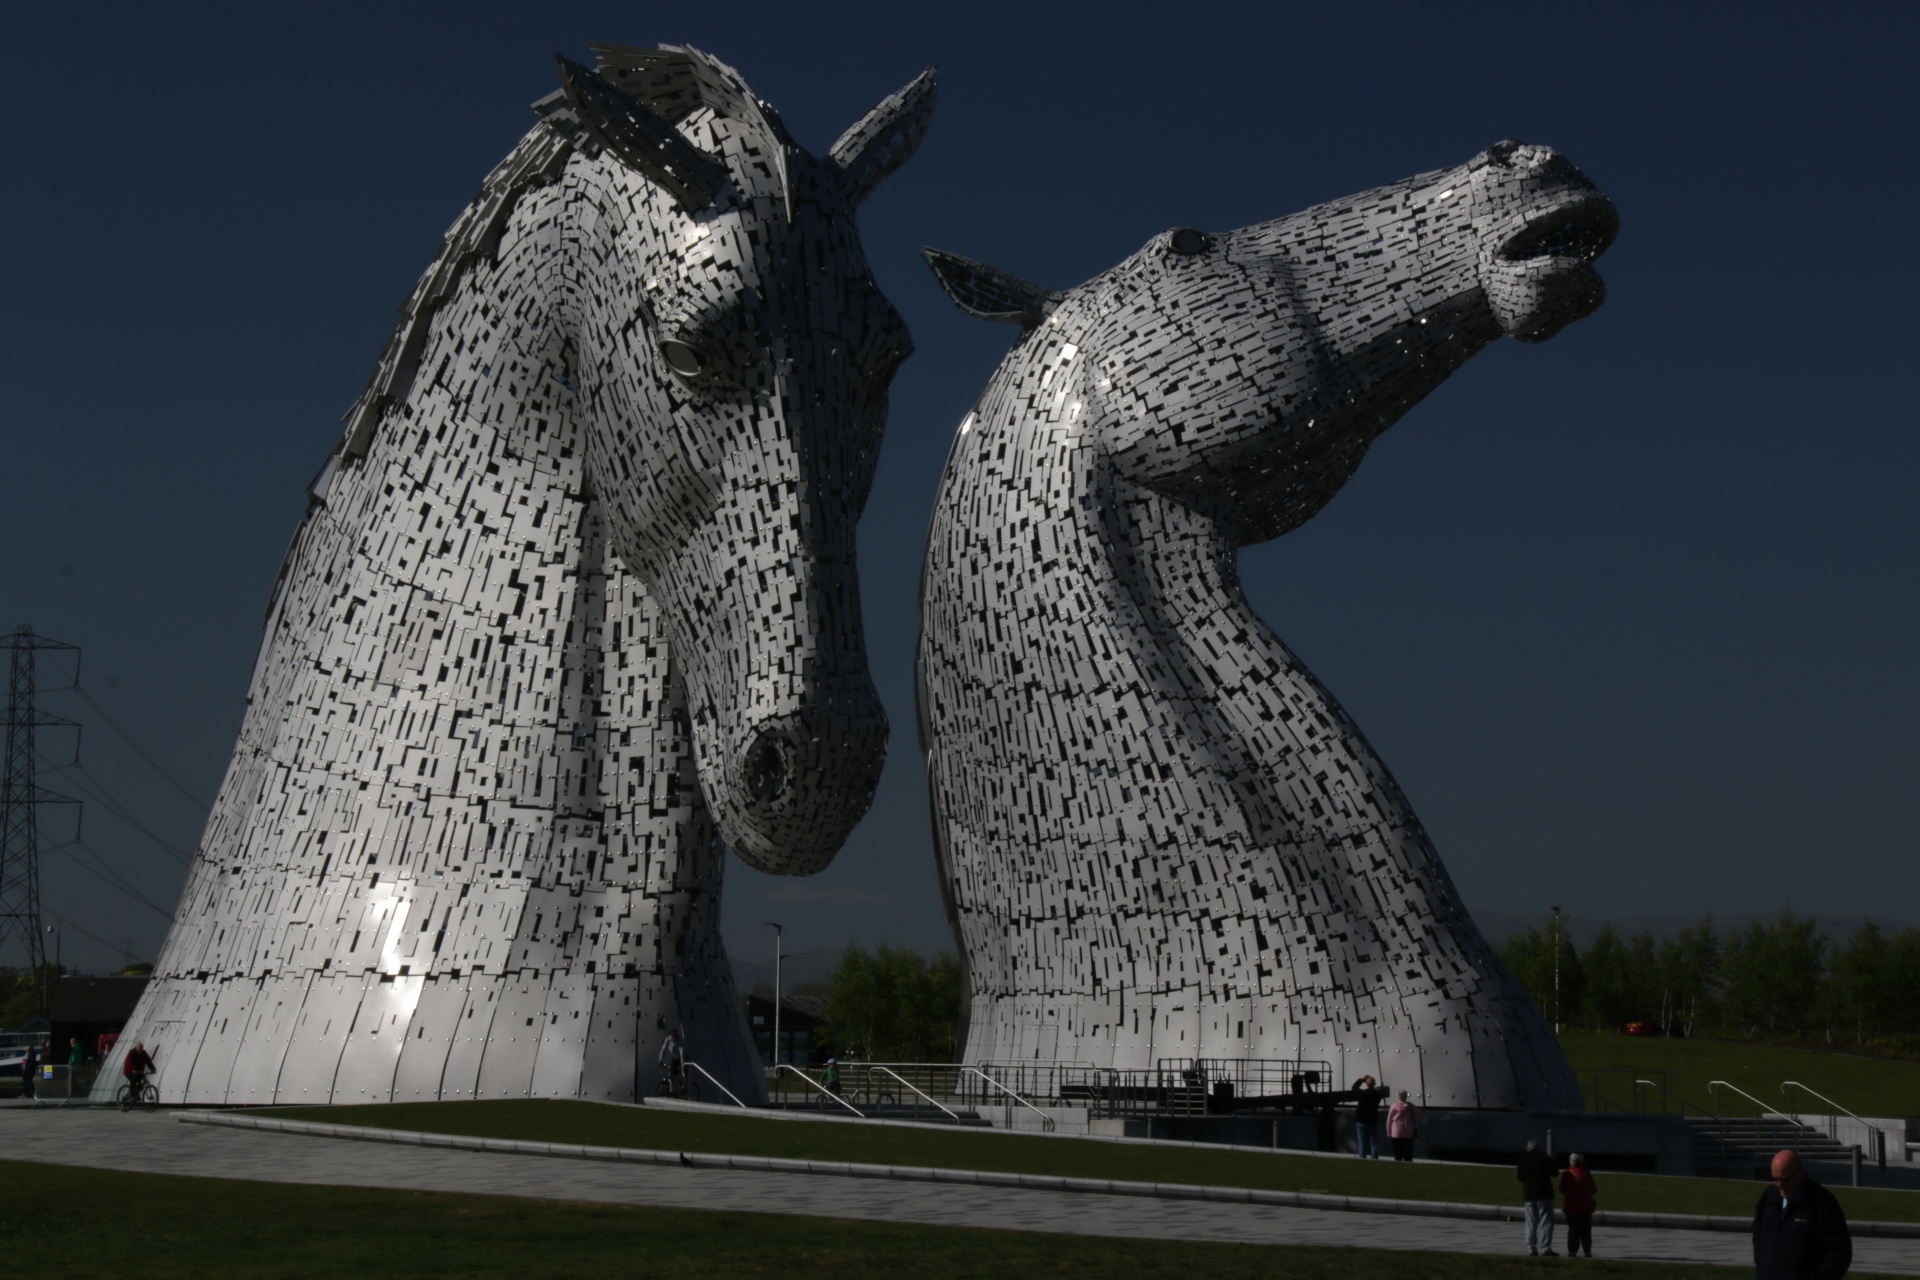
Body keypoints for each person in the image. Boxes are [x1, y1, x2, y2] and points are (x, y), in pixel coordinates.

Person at [1752, 1148, 1851, 1280]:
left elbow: (1839, 1254)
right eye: (1775, 1179)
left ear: (1800, 1174)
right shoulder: (1769, 1198)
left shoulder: (1822, 1203)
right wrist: (1761, 1262)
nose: (1780, 1185)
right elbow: (1758, 1235)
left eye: (1785, 1179)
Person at [1517, 1139, 1558, 1256]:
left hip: (1529, 1194)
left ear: (1527, 1148)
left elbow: (1520, 1178)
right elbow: (1555, 1172)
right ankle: (1545, 1248)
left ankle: (1531, 1248)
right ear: (1538, 1148)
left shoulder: (1523, 1160)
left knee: (1530, 1222)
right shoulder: (1544, 1158)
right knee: (1546, 1221)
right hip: (1544, 1194)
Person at [1560, 1152, 1598, 1258]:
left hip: (1571, 1207)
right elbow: (1594, 1189)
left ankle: (1573, 1250)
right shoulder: (1586, 1173)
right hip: (1586, 1207)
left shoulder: (1567, 1174)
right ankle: (1587, 1251)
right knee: (1586, 1230)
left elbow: (1561, 1189)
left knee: (1573, 1230)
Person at [1351, 1074, 1382, 1158]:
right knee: (1374, 1142)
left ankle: (1362, 1158)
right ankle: (1374, 1158)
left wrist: (1362, 1080)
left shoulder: (1362, 1094)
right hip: (1372, 1120)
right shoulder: (1377, 1095)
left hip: (1361, 1120)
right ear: (1374, 1084)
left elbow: (1354, 1088)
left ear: (1366, 1084)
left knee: (1362, 1142)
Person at [1385, 1089, 1420, 1161]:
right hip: (1409, 1132)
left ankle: (1398, 1166)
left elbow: (1389, 1120)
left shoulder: (1393, 1106)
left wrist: (1388, 1131)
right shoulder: (1411, 1106)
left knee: (1397, 1152)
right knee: (1408, 1153)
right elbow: (1416, 1118)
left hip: (1396, 1133)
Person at [657, 1029, 685, 1097]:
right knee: (671, 1075)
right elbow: (663, 1050)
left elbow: (682, 1054)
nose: (672, 1037)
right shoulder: (668, 1040)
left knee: (680, 1074)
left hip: (680, 1059)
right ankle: (671, 1092)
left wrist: (682, 1064)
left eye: (673, 1035)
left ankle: (686, 1087)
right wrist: (660, 1060)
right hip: (674, 1059)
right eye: (671, 1035)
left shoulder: (679, 1041)